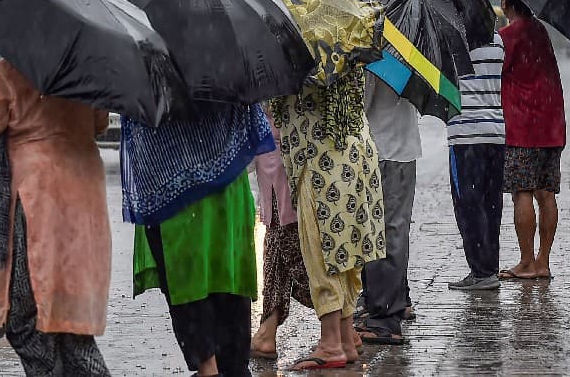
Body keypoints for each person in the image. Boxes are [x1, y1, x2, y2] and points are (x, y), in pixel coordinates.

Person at [0, 58, 112, 376]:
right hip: (84, 198)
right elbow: (100, 125)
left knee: (21, 317)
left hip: (35, 198)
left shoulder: (6, 72)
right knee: (72, 315)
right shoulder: (87, 69)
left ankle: (49, 371)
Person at [125, 102, 274, 377]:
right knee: (226, 276)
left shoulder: (150, 65)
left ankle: (209, 367)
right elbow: (255, 131)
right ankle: (230, 365)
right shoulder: (231, 62)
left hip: (173, 189)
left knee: (187, 280)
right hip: (227, 181)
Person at [269, 72, 386, 370]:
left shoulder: (303, 48)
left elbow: (277, 101)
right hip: (357, 149)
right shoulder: (347, 36)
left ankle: (330, 342)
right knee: (347, 251)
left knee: (323, 250)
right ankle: (345, 338)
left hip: (320, 156)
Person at [497, 0, 565, 281]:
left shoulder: (508, 37)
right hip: (551, 125)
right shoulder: (541, 32)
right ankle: (543, 261)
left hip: (522, 127)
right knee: (546, 194)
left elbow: (497, 72)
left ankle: (526, 261)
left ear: (506, 2)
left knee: (522, 193)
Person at [357, 73, 422, 344]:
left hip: (382, 150)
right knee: (393, 229)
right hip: (403, 147)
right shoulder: (412, 55)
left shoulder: (379, 58)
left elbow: (361, 105)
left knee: (382, 233)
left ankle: (385, 318)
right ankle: (394, 299)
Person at [446, 33, 507, 291]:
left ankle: (480, 271)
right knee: (492, 204)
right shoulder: (497, 41)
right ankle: (490, 267)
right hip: (495, 131)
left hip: (465, 133)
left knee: (468, 205)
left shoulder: (453, 40)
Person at [250, 118, 312, 360]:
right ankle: (267, 329)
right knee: (277, 248)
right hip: (279, 161)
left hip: (283, 164)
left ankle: (340, 321)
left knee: (291, 249)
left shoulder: (277, 84)